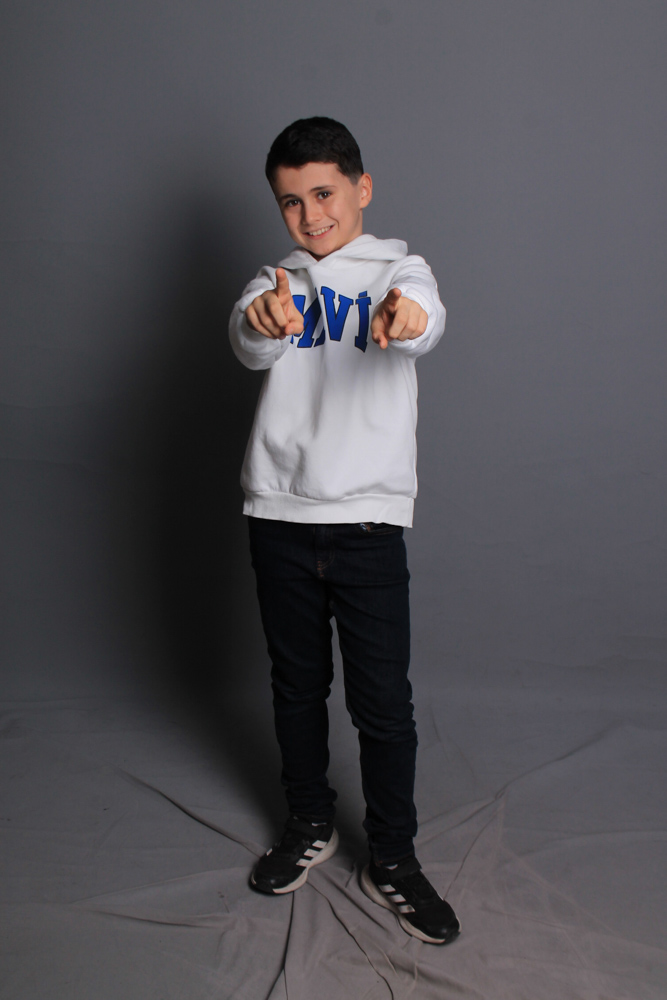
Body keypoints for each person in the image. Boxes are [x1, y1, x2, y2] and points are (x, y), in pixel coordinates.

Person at [228, 117, 460, 946]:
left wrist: (405, 315)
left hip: (366, 524)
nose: (310, 215)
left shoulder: (400, 269)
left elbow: (425, 318)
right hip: (278, 517)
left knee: (382, 706)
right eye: (290, 202)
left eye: (323, 193)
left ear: (361, 188)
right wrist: (264, 318)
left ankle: (393, 854)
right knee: (295, 689)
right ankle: (309, 822)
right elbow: (249, 342)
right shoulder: (274, 280)